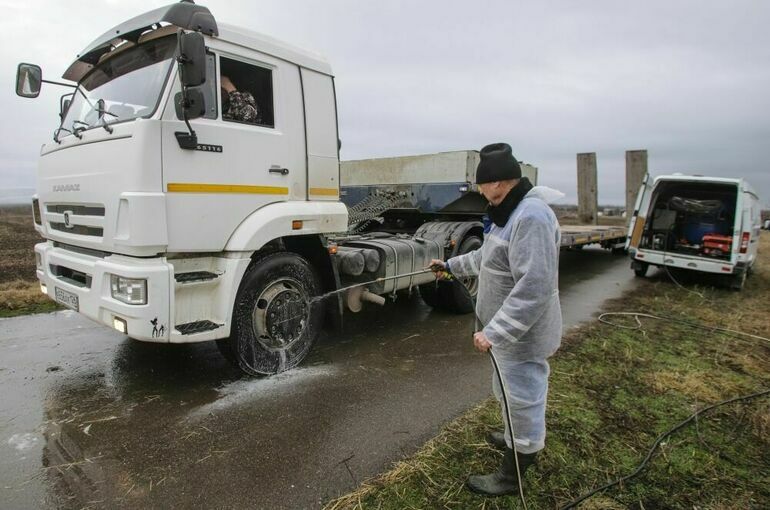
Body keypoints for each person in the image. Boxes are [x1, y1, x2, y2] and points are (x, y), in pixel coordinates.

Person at [430, 142, 562, 496]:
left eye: (482, 186)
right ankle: (513, 437)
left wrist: (497, 331)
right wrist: (451, 266)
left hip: (521, 335)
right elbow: (490, 257)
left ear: (499, 183)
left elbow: (534, 286)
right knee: (508, 391)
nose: (480, 192)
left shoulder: (531, 217)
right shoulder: (510, 211)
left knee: (522, 397)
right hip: (508, 335)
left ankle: (514, 470)